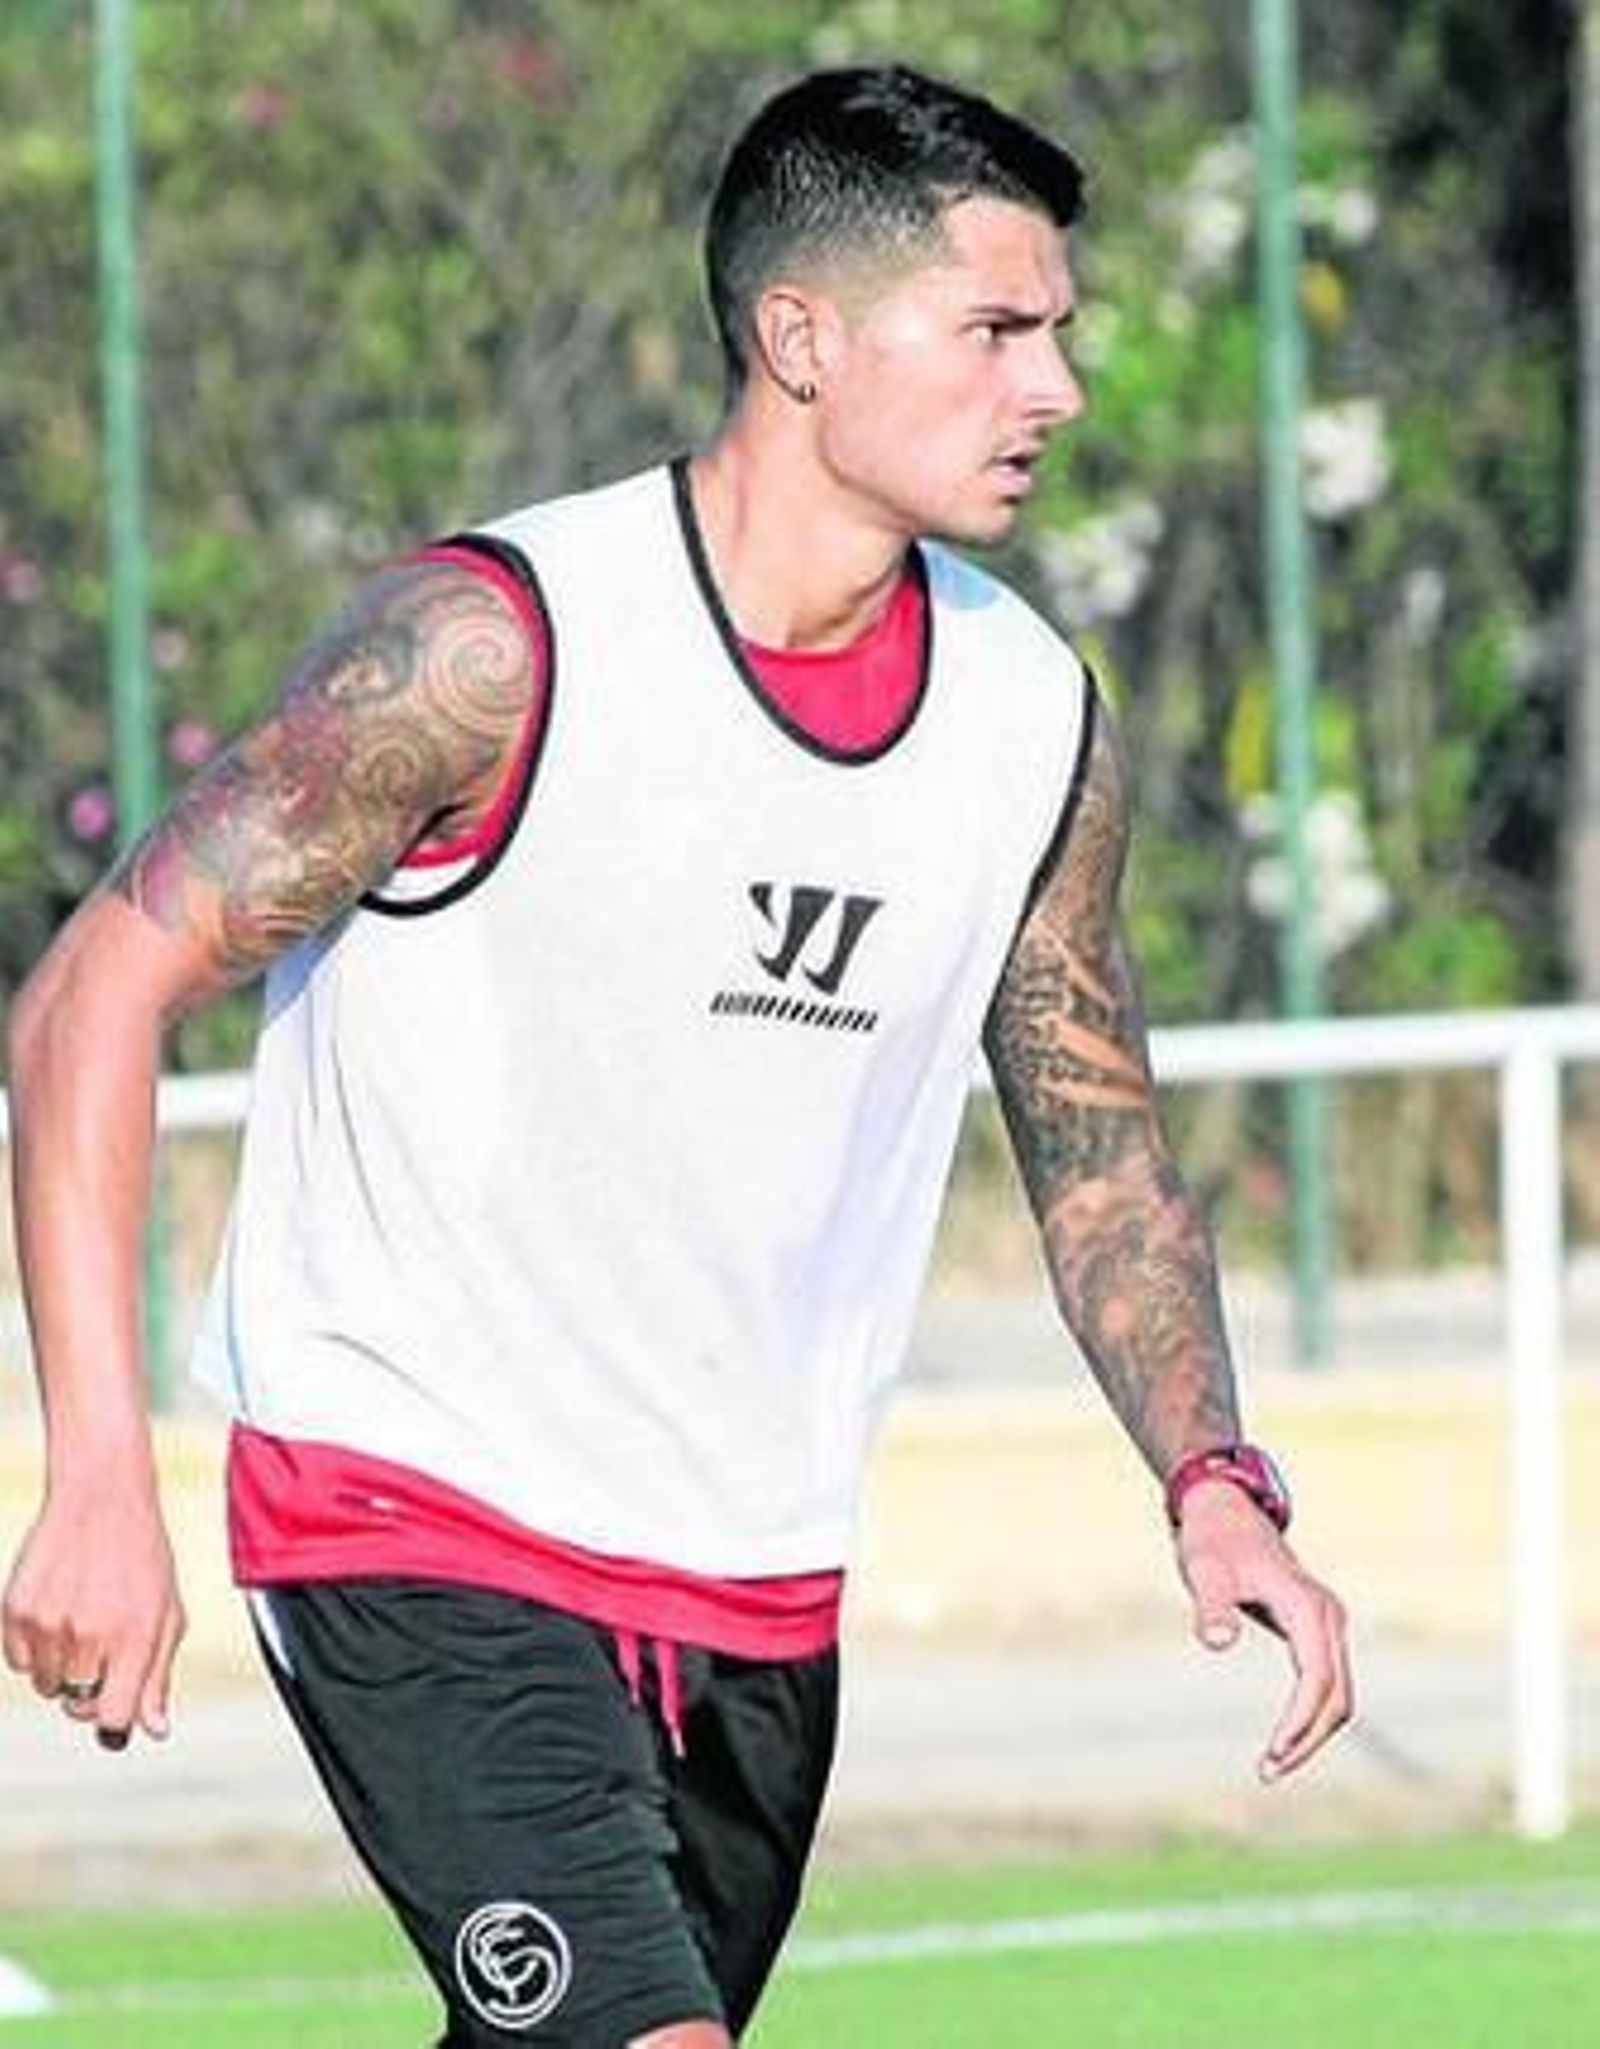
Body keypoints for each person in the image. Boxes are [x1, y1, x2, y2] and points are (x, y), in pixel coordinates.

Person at [2, 62, 1352, 2048]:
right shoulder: (493, 647)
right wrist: (96, 1473)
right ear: (795, 335)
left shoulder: (1024, 715)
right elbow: (88, 995)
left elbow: (1092, 1137)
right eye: (994, 328)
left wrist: (1209, 1476)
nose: (1051, 386)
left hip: (749, 1584)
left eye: (1056, 330)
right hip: (412, 1507)